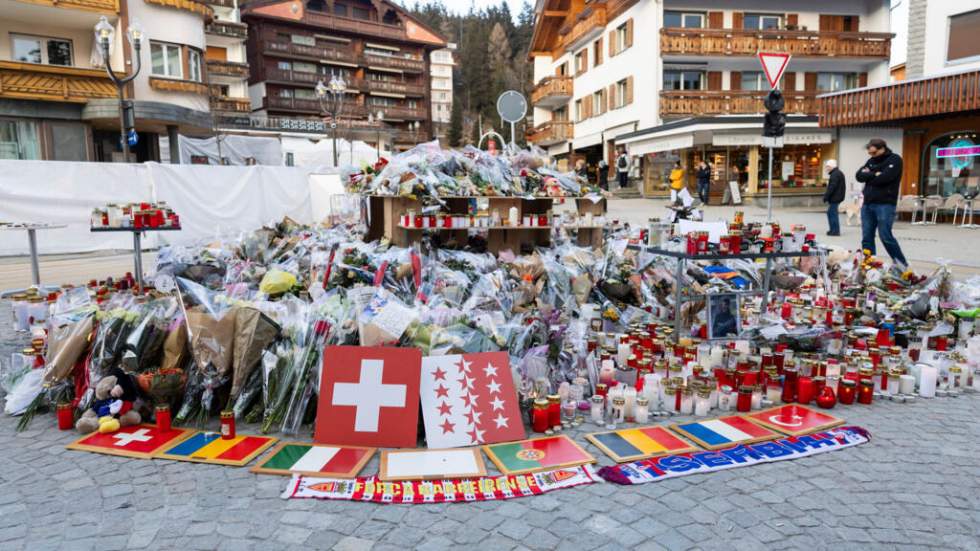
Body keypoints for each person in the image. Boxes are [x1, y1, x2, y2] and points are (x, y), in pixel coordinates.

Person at [855, 138, 908, 268]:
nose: (872, 155)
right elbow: (859, 176)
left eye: (874, 152)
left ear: (882, 148)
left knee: (885, 235)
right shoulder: (871, 161)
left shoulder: (895, 159)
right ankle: (869, 264)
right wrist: (875, 174)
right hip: (868, 203)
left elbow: (885, 178)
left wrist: (870, 175)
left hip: (885, 204)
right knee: (867, 236)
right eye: (869, 153)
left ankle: (901, 265)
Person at [823, 159, 846, 236]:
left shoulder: (835, 174)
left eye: (828, 166)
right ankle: (833, 230)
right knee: (831, 213)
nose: (826, 168)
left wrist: (826, 196)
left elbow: (832, 187)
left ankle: (835, 231)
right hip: (837, 197)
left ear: (832, 166)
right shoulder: (837, 173)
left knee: (832, 214)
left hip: (835, 198)